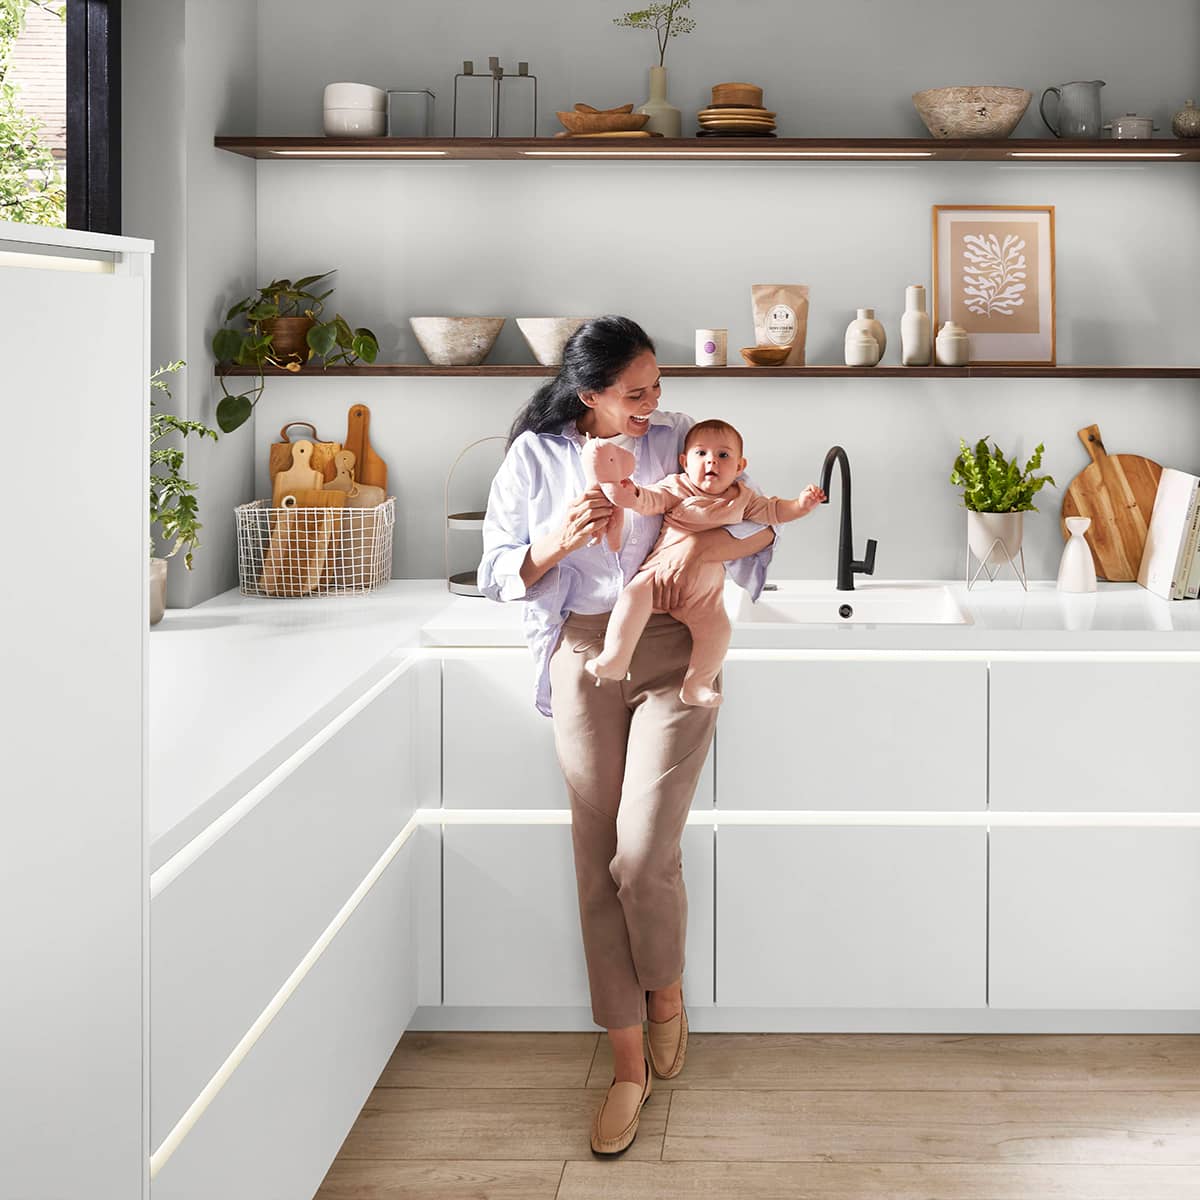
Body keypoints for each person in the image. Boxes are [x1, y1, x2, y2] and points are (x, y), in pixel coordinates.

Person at [478, 316, 779, 1156]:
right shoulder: (535, 457)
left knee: (642, 856)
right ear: (591, 394)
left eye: (657, 387)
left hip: (676, 648)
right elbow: (496, 568)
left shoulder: (683, 440)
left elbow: (762, 524)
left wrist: (700, 549)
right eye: (636, 393)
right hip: (585, 653)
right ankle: (625, 1065)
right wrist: (553, 542)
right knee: (595, 860)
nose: (653, 404)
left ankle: (666, 993)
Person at [587, 418, 825, 706]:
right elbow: (650, 500)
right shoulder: (678, 487)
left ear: (739, 467)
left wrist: (800, 505)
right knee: (632, 595)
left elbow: (774, 512)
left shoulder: (744, 499)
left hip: (703, 595)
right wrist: (633, 494)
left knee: (718, 629)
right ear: (685, 462)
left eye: (723, 455)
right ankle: (616, 657)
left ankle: (697, 684)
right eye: (701, 453)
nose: (712, 461)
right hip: (659, 575)